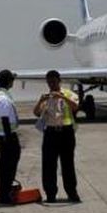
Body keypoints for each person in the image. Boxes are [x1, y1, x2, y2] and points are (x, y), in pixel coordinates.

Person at [34, 70, 80, 203]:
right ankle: (50, 193)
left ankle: (72, 192)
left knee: (68, 163)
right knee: (48, 164)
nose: (51, 85)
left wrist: (62, 97)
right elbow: (37, 113)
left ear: (59, 81)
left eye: (53, 82)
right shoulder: (46, 97)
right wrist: (41, 101)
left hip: (66, 132)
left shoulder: (68, 94)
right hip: (50, 133)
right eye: (49, 82)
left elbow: (75, 107)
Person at [0, 69, 21, 205]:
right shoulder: (2, 98)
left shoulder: (1, 95)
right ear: (9, 81)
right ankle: (5, 194)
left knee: (6, 165)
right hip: (6, 136)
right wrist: (10, 139)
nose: (13, 82)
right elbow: (4, 120)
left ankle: (5, 191)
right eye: (12, 80)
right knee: (8, 166)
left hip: (3, 135)